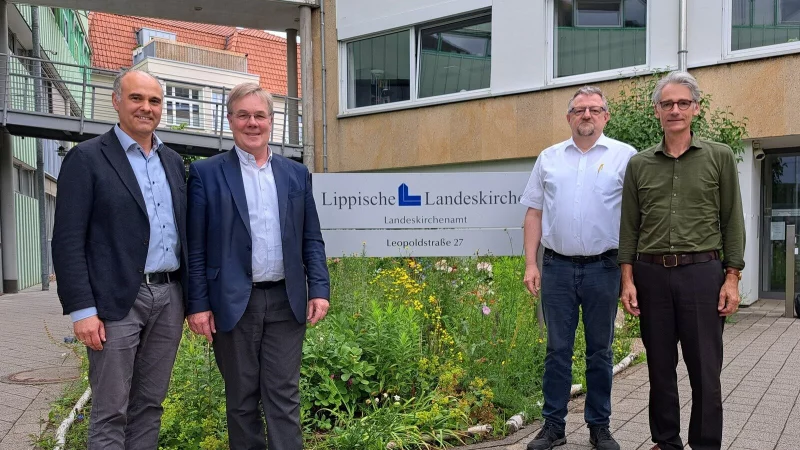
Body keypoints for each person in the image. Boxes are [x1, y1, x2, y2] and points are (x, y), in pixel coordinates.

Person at [186, 82, 330, 450]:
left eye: (260, 115)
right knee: (242, 398)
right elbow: (196, 247)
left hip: (286, 300)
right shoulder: (206, 174)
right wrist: (198, 305)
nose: (252, 123)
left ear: (271, 121)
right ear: (230, 120)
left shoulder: (296, 174)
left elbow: (310, 237)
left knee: (284, 395)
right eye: (244, 115)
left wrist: (320, 289)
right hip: (234, 303)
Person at [52, 69, 187, 450]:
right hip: (115, 303)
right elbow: (67, 240)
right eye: (137, 98)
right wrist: (82, 310)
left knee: (150, 404)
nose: (146, 108)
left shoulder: (173, 162)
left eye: (155, 100)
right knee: (111, 409)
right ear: (116, 101)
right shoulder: (87, 159)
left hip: (169, 296)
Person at [618, 71, 745, 450]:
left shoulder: (719, 156)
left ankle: (705, 443)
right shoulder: (639, 165)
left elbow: (732, 220)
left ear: (696, 109)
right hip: (651, 275)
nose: (675, 109)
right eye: (667, 103)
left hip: (702, 274)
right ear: (656, 110)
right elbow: (629, 227)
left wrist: (731, 278)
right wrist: (627, 279)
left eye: (683, 103)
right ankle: (666, 441)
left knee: (705, 369)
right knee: (659, 367)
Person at [520, 86, 635, 450]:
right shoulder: (549, 157)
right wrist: (529, 263)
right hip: (556, 268)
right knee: (557, 351)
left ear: (606, 116)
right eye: (579, 109)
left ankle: (599, 426)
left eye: (594, 109)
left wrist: (631, 274)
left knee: (600, 351)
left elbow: (636, 219)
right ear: (569, 116)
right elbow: (534, 212)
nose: (587, 115)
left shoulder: (625, 157)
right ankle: (553, 426)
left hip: (605, 268)